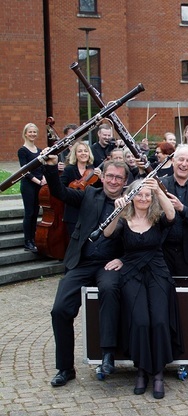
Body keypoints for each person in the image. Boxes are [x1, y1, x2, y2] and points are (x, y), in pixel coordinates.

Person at [103, 178, 188, 399]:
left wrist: (159, 190)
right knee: (140, 321)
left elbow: (173, 216)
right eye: (139, 194)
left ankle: (157, 374)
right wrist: (117, 210)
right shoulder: (124, 219)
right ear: (132, 196)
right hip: (132, 274)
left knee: (158, 320)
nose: (144, 198)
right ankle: (141, 371)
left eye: (148, 195)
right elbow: (107, 234)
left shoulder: (157, 218)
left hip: (157, 272)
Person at [44, 156, 129, 386]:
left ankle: (108, 355)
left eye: (118, 178)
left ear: (124, 182)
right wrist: (51, 167)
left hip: (110, 263)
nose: (113, 181)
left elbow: (139, 237)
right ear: (103, 177)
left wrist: (123, 259)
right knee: (60, 309)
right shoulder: (90, 194)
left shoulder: (129, 203)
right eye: (109, 176)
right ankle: (65, 368)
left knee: (111, 290)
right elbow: (59, 193)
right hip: (82, 261)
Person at [161, 145, 188, 276]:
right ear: (173, 160)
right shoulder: (161, 185)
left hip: (187, 254)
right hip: (162, 253)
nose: (184, 164)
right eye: (180, 159)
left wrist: (182, 209)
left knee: (187, 294)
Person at [60, 141, 101, 237]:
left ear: (89, 153)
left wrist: (100, 179)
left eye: (86, 151)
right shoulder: (69, 169)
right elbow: (61, 187)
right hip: (73, 212)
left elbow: (99, 190)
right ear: (75, 154)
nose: (83, 153)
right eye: (80, 151)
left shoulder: (93, 170)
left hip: (88, 211)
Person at [17, 123, 45, 253]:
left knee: (35, 213)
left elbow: (43, 167)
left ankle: (34, 239)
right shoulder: (22, 151)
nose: (32, 134)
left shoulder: (39, 150)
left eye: (34, 132)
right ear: (25, 134)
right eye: (30, 132)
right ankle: (27, 241)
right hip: (29, 185)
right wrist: (38, 181)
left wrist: (44, 178)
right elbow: (25, 171)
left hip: (39, 184)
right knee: (29, 213)